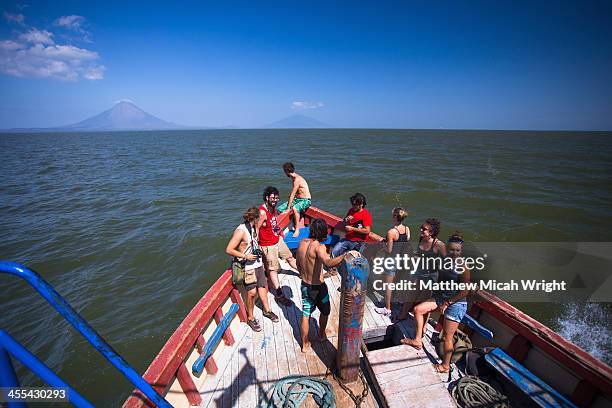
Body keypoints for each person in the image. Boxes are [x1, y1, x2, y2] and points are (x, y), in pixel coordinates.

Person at [401, 233, 470, 375]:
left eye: (457, 250)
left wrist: (447, 302)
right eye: (452, 250)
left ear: (461, 251)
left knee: (447, 337)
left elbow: (465, 291)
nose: (454, 253)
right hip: (441, 298)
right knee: (418, 310)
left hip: (456, 303)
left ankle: (445, 366)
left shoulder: (463, 266)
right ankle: (417, 341)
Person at [226, 207, 279, 332]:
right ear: (255, 219)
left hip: (257, 263)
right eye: (259, 218)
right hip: (247, 266)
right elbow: (229, 249)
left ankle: (267, 310)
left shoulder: (255, 227)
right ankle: (250, 318)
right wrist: (246, 256)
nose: (261, 220)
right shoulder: (241, 231)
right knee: (251, 293)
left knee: (262, 287)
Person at [296, 218, 345, 352]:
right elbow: (328, 263)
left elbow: (298, 264)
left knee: (306, 315)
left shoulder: (301, 243)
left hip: (305, 285)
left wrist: (302, 273)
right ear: (323, 232)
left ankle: (305, 345)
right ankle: (321, 334)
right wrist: (344, 256)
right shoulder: (319, 247)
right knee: (325, 311)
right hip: (318, 289)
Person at [396, 218, 446, 321]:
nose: (421, 230)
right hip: (419, 273)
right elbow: (420, 255)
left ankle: (423, 326)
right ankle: (402, 316)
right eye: (421, 228)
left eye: (424, 229)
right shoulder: (421, 239)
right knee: (410, 295)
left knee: (425, 300)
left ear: (431, 232)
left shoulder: (438, 245)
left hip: (431, 277)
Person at [258, 186, 298, 305]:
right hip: (267, 245)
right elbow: (256, 229)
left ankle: (305, 274)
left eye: (277, 198)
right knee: (273, 269)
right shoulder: (262, 212)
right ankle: (279, 294)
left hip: (277, 240)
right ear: (267, 198)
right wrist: (257, 246)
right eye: (272, 198)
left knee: (290, 257)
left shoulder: (273, 209)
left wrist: (279, 232)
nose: (275, 200)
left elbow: (274, 223)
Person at [374, 207, 412, 317]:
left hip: (391, 261)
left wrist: (382, 245)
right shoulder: (407, 229)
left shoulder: (391, 232)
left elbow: (389, 250)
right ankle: (397, 302)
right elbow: (406, 241)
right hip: (401, 260)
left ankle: (387, 308)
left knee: (388, 286)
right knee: (397, 283)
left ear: (395, 217)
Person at [331, 193, 373, 259]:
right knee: (334, 252)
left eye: (355, 205)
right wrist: (346, 220)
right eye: (352, 204)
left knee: (354, 259)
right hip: (348, 239)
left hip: (359, 242)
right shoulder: (351, 210)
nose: (353, 206)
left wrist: (352, 229)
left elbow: (367, 231)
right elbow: (345, 221)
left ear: (361, 204)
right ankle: (332, 267)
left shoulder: (366, 214)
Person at [277, 162, 312, 238]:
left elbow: (292, 194)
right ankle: (291, 224)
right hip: (298, 199)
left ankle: (297, 229)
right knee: (279, 209)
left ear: (286, 171)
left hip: (305, 200)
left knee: (295, 209)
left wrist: (288, 208)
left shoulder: (297, 179)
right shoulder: (293, 178)